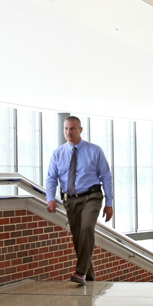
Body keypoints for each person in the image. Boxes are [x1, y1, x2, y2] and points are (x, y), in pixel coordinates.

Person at [46, 116, 113, 285]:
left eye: (73, 128)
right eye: (66, 129)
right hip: (70, 200)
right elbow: (51, 178)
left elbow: (106, 177)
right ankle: (88, 278)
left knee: (87, 227)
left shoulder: (95, 150)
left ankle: (80, 271)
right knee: (78, 238)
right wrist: (50, 198)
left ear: (80, 130)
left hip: (92, 196)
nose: (69, 132)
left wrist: (109, 203)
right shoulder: (58, 153)